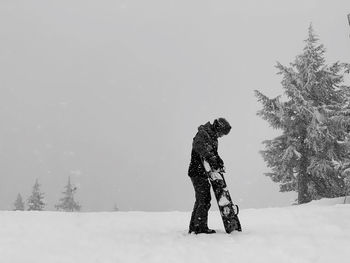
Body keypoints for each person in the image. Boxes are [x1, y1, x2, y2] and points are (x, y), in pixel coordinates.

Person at [188, 118, 232, 234]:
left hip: (202, 172)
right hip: (197, 171)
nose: (221, 136)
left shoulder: (212, 137)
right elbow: (198, 147)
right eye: (222, 133)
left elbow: (213, 153)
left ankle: (195, 226)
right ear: (218, 128)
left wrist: (218, 160)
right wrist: (211, 158)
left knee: (201, 199)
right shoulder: (203, 133)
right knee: (204, 198)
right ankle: (199, 227)